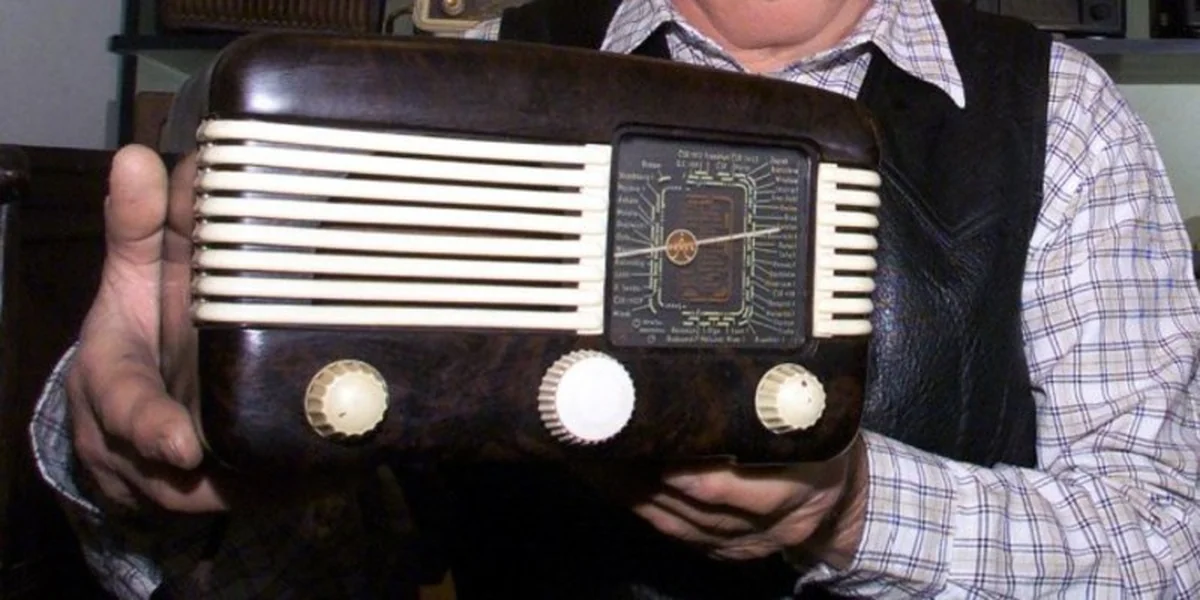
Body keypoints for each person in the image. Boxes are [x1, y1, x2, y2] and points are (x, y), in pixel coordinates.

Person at [29, 0, 1200, 597]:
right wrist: (170, 455)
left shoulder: (1061, 116)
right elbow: (330, 559)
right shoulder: (447, 90)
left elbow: (1163, 548)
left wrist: (855, 512)